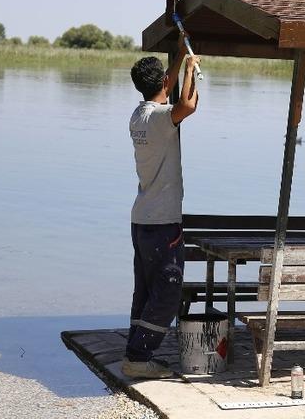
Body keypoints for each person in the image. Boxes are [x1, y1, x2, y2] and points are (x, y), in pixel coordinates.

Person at [122, 36, 200, 379]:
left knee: (146, 290)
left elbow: (167, 92)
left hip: (142, 220)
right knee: (167, 292)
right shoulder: (161, 119)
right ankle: (140, 357)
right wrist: (191, 70)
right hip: (162, 222)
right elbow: (189, 105)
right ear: (165, 83)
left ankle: (134, 353)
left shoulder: (139, 116)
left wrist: (182, 55)